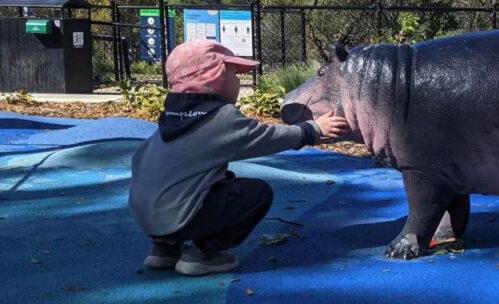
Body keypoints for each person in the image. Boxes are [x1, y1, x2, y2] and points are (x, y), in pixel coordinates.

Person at [128, 39, 348, 276]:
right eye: (234, 74)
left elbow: (140, 159)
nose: (239, 82)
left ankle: (165, 248)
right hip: (177, 217)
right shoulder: (219, 118)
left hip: (146, 217)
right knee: (255, 194)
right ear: (215, 76)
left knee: (214, 180)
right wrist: (313, 129)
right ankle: (203, 255)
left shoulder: (173, 117)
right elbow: (266, 138)